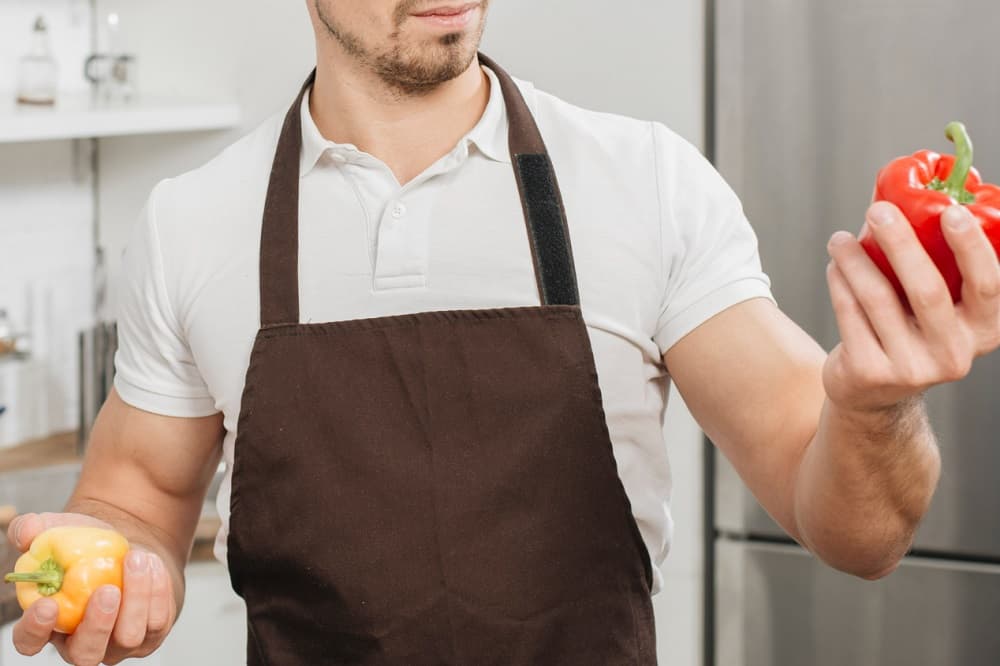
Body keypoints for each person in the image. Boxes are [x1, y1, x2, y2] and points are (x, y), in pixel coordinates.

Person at [7, 1, 1000, 664]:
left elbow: (861, 535)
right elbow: (138, 496)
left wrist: (873, 408)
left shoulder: (644, 182)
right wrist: (116, 559)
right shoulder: (194, 221)